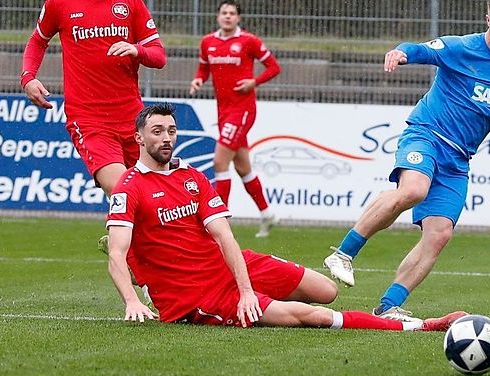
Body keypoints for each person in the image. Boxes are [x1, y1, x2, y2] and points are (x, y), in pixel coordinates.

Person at [106, 103, 466, 333]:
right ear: (138, 137)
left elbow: (225, 238)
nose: (167, 138)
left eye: (171, 131)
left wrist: (246, 288)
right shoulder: (129, 187)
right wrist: (132, 302)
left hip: (231, 268)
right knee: (312, 317)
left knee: (326, 291)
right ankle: (421, 327)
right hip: (197, 294)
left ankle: (263, 302)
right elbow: (116, 254)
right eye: (157, 132)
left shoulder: (192, 177)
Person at [322, 0, 490, 321]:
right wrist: (399, 53)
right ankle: (343, 254)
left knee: (439, 235)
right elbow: (419, 50)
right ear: (487, 19)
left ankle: (388, 306)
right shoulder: (461, 47)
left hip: (457, 161)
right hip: (426, 135)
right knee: (412, 190)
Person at [21, 0, 166, 199]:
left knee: (158, 197)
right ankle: (120, 238)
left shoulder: (131, 3)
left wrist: (137, 49)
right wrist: (28, 77)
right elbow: (37, 41)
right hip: (90, 120)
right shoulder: (60, 3)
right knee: (123, 190)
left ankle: (119, 238)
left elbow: (159, 56)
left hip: (133, 118)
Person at [189, 0, 281, 238]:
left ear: (238, 18)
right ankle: (267, 213)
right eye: (224, 13)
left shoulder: (248, 41)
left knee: (220, 162)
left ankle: (220, 219)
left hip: (243, 110)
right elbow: (203, 69)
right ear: (218, 16)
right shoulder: (207, 42)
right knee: (242, 167)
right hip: (224, 112)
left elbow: (273, 67)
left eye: (232, 13)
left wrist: (254, 82)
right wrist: (198, 80)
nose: (227, 16)